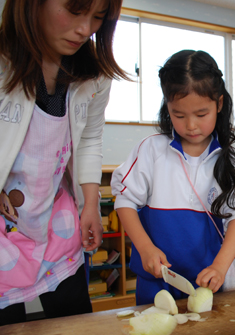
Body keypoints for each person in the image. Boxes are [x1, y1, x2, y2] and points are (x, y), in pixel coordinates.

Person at [0, 0, 128, 326]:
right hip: (5, 226)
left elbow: (88, 140)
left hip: (55, 217)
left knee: (75, 320)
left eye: (98, 18)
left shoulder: (92, 75)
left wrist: (89, 201)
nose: (86, 30)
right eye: (74, 10)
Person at [111, 50, 235, 304]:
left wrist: (221, 266)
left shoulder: (233, 162)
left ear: (219, 105)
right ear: (167, 107)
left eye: (201, 115)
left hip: (210, 284)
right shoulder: (151, 150)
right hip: (156, 282)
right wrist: (145, 248)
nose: (191, 125)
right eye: (179, 115)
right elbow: (125, 201)